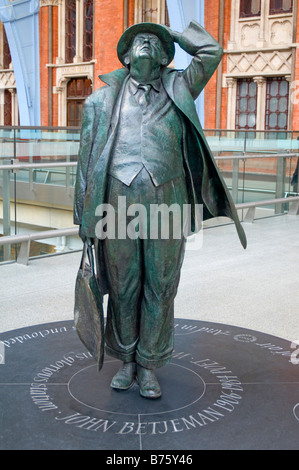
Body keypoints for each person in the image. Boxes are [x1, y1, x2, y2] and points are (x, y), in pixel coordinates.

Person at [74, 21, 247, 399]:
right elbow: (86, 163)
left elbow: (211, 52)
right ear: (125, 55)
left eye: (155, 42)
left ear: (166, 56)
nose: (147, 44)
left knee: (161, 286)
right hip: (115, 207)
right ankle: (127, 361)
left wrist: (175, 33)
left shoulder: (180, 87)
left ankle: (150, 364)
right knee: (122, 287)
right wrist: (83, 219)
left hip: (168, 203)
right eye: (140, 40)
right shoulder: (99, 102)